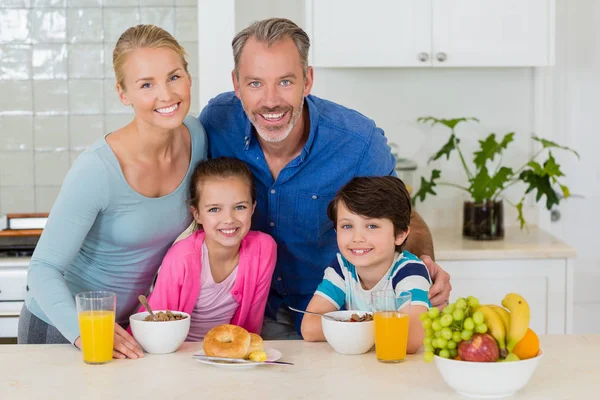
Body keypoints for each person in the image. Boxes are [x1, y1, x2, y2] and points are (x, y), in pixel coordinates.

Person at [199, 18, 451, 339]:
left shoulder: (358, 141)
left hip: (336, 319)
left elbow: (403, 220)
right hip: (240, 315)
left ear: (308, 80)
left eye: (286, 82)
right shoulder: (216, 123)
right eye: (255, 83)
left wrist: (423, 266)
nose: (271, 100)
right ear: (236, 84)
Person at [18, 25, 208, 360]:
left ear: (188, 77)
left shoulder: (197, 136)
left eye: (174, 76)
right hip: (62, 328)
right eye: (146, 84)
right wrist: (82, 331)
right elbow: (42, 269)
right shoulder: (97, 169)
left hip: (129, 328)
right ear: (123, 94)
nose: (166, 95)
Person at [140, 157, 277, 339]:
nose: (229, 218)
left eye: (240, 207)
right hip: (174, 351)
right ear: (197, 214)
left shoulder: (263, 249)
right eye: (214, 209)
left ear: (253, 208)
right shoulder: (182, 257)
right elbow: (155, 327)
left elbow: (251, 323)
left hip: (225, 355)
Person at [301, 176, 430, 353]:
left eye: (372, 226)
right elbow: (309, 327)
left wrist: (354, 325)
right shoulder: (342, 268)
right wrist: (377, 328)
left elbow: (410, 338)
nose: (357, 237)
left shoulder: (410, 271)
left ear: (400, 234)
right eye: (347, 226)